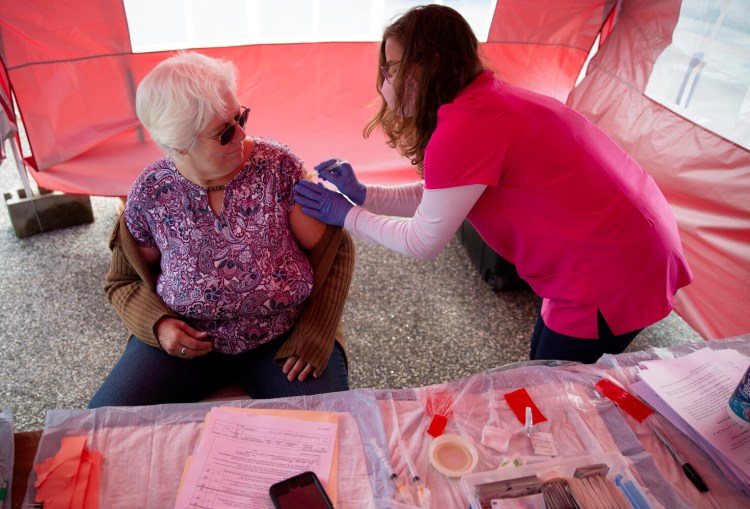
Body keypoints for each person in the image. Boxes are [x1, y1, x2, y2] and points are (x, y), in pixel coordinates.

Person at [294, 5, 693, 364]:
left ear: (431, 64)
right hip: (626, 243)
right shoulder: (482, 100)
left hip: (610, 270)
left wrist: (348, 214)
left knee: (554, 389)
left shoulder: (465, 127)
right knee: (544, 366)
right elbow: (446, 194)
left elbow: (422, 241)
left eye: (393, 67)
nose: (386, 79)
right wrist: (366, 195)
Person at [89, 51, 354, 407]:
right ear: (180, 144)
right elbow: (122, 280)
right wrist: (157, 326)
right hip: (189, 343)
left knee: (328, 430)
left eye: (239, 116)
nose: (242, 133)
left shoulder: (278, 168)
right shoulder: (151, 193)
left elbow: (337, 249)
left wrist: (316, 331)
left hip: (282, 336)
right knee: (106, 423)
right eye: (224, 132)